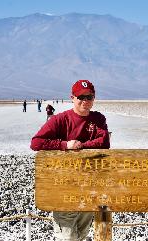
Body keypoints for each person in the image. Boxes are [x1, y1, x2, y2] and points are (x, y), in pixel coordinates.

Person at [30, 79, 110, 241]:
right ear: (72, 97)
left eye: (89, 97)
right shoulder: (60, 119)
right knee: (67, 238)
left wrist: (79, 146)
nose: (85, 101)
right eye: (81, 97)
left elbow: (104, 142)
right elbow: (36, 142)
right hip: (64, 190)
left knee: (81, 235)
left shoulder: (98, 119)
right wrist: (65, 144)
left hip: (89, 190)